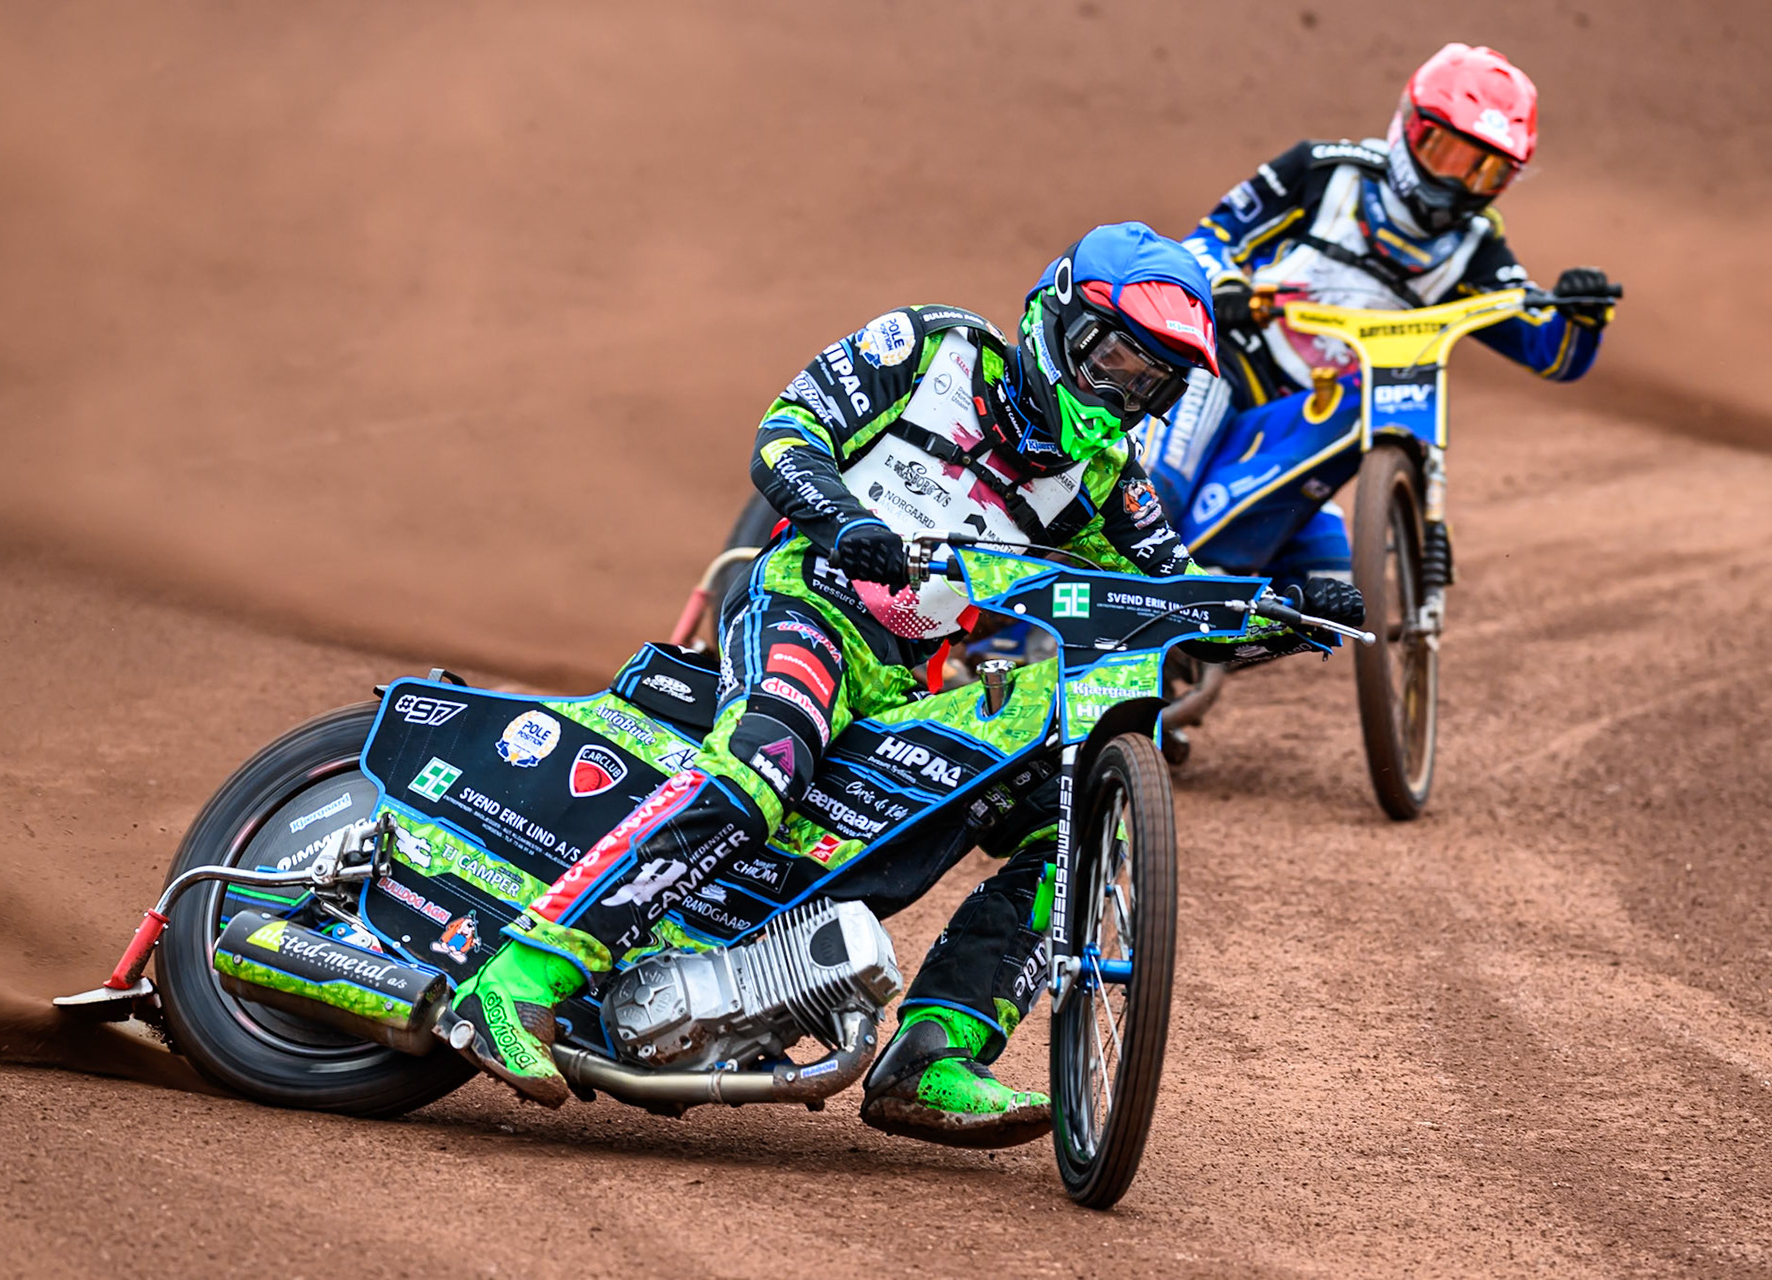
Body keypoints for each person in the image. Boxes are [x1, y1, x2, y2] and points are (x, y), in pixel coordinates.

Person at [438, 223, 1364, 1148]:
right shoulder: (932, 348)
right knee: (769, 756)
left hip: (912, 677)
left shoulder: (1106, 477)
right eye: (1117, 355)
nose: (1125, 388)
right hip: (811, 607)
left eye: (1151, 379)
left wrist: (1286, 618)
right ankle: (517, 980)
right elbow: (785, 434)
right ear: (1059, 319)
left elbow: (1169, 596)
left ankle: (935, 1053)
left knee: (1062, 817)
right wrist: (844, 524)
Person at [1149, 42, 1616, 589]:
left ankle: (1202, 632)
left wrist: (1582, 316)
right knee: (1157, 496)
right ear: (1411, 127)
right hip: (1226, 369)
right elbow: (1212, 236)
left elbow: (1550, 353)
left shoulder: (1476, 249)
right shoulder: (1322, 171)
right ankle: (1063, 633)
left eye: (1484, 172)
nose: (1457, 184)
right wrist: (1225, 285)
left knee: (1331, 592)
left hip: (1312, 414)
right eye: (1449, 155)